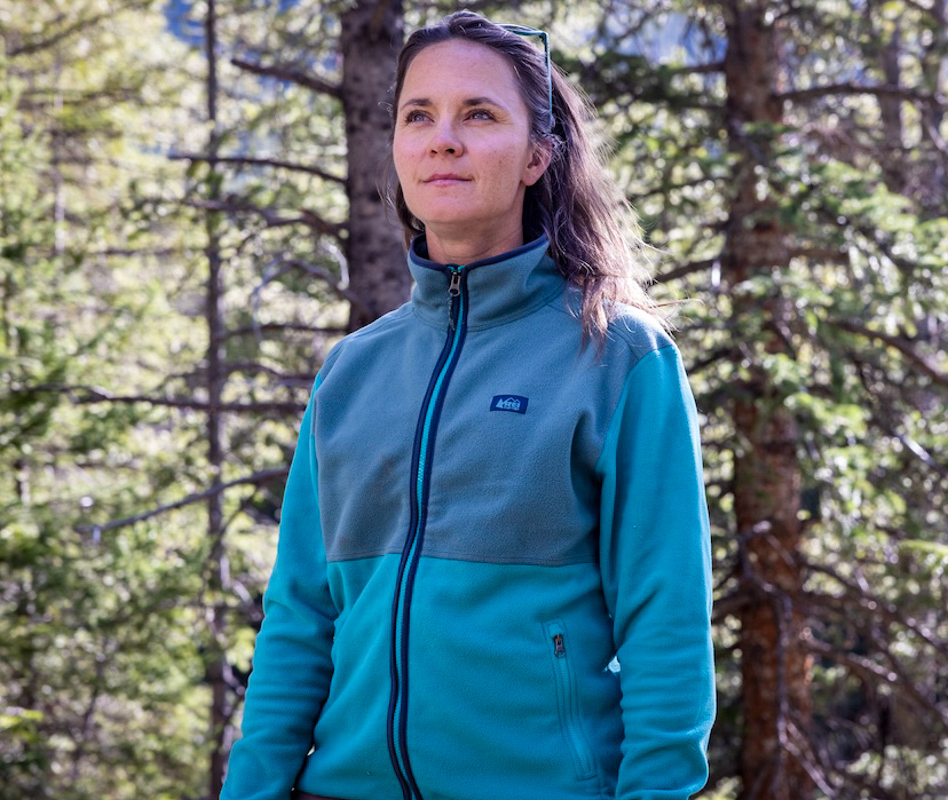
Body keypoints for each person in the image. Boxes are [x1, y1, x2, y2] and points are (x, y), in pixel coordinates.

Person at [221, 11, 715, 800]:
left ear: (536, 156)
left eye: (478, 114)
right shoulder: (351, 371)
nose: (442, 139)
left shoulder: (621, 359)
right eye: (419, 116)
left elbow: (667, 630)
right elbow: (300, 620)